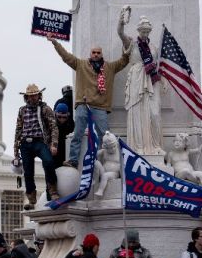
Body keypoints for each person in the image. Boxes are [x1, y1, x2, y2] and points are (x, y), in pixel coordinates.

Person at [49, 13, 130, 167]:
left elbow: (124, 61)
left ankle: (103, 161)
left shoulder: (110, 67)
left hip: (100, 107)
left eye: (98, 52)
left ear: (101, 54)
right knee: (77, 134)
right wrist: (55, 42)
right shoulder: (80, 64)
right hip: (82, 104)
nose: (96, 54)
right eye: (94, 52)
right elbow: (66, 56)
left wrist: (127, 46)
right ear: (90, 54)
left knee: (105, 135)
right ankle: (73, 160)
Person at [118, 11, 165, 155]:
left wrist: (163, 80)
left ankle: (156, 146)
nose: (145, 33)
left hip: (152, 80)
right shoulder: (132, 43)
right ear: (139, 31)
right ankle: (138, 146)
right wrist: (121, 21)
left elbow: (158, 65)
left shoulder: (154, 48)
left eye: (147, 31)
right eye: (143, 31)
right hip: (137, 78)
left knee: (154, 114)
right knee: (137, 114)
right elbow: (120, 33)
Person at [12, 84, 60, 208]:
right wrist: (16, 153)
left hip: (40, 142)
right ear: (26, 97)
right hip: (25, 144)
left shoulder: (45, 109)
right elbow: (18, 130)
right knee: (28, 172)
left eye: (35, 95)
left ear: (39, 95)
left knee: (48, 162)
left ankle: (53, 191)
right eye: (30, 96)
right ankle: (31, 198)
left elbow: (54, 127)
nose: (33, 98)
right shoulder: (22, 110)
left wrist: (53, 144)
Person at [53, 101, 76, 167]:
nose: (62, 120)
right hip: (55, 158)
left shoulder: (71, 124)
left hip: (67, 156)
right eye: (59, 117)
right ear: (55, 114)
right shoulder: (51, 125)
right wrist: (61, 162)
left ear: (68, 115)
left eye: (64, 117)